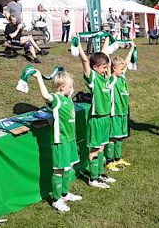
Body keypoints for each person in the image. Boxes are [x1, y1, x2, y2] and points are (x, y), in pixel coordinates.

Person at [32, 70, 83, 212]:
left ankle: (65, 194)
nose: (72, 88)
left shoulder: (68, 99)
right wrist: (38, 78)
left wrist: (70, 92)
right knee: (59, 170)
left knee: (69, 167)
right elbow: (45, 95)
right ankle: (56, 199)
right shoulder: (56, 99)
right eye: (70, 86)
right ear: (61, 87)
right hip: (60, 141)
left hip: (70, 140)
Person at [76, 38, 116, 188]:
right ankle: (93, 179)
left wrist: (106, 38)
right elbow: (85, 62)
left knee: (102, 147)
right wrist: (78, 45)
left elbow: (103, 54)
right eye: (104, 67)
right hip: (97, 119)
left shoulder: (104, 76)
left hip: (106, 118)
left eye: (107, 67)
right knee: (94, 148)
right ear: (95, 67)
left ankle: (99, 173)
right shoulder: (93, 78)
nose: (106, 69)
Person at [104, 41, 135, 172]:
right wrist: (108, 40)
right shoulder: (112, 79)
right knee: (112, 137)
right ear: (113, 69)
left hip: (123, 111)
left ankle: (118, 158)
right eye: (121, 69)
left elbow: (126, 63)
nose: (123, 70)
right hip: (115, 112)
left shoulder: (122, 77)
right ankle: (109, 161)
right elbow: (106, 56)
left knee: (121, 136)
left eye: (123, 68)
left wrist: (132, 48)